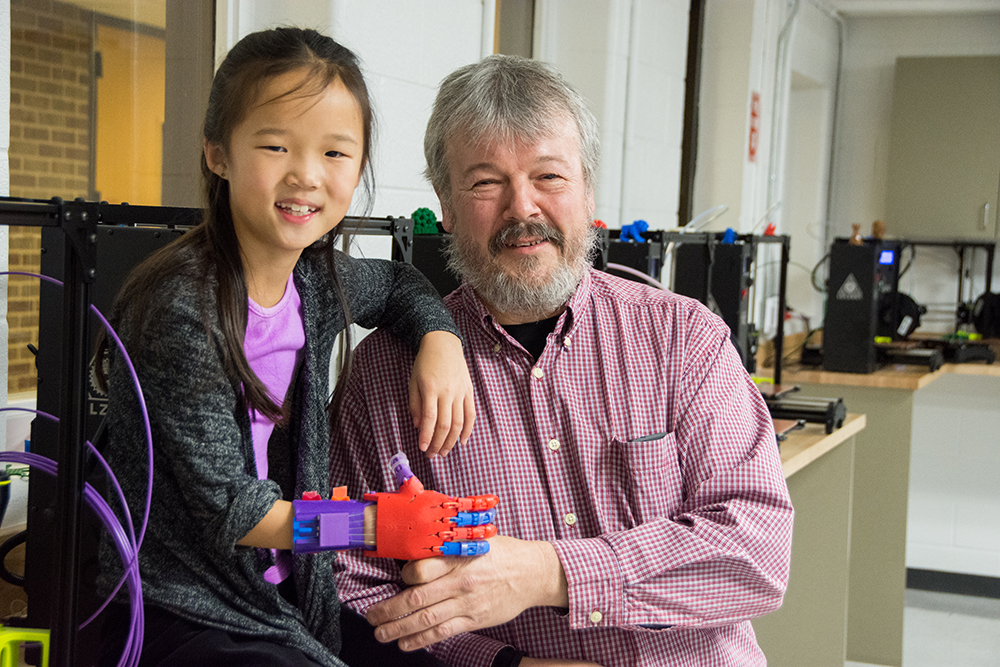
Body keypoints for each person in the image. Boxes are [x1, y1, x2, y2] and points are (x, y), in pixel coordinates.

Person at [330, 54, 794, 667]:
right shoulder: (385, 373)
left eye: (549, 176)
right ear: (444, 203)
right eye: (485, 182)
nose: (522, 208)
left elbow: (756, 551)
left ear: (588, 188)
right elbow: (353, 583)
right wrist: (502, 665)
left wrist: (547, 573)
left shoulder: (682, 339)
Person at [97, 28, 475, 667]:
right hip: (179, 606)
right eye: (275, 145)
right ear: (218, 153)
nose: (306, 175)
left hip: (285, 599)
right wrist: (376, 525)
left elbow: (401, 284)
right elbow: (234, 514)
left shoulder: (315, 279)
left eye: (335, 153)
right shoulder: (182, 309)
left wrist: (441, 340)